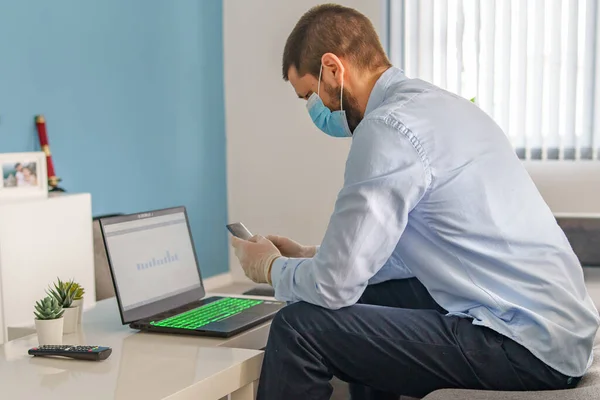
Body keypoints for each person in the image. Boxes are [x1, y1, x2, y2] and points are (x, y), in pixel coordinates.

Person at [230, 4, 600, 399]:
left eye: (310, 94)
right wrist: (309, 255)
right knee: (360, 301)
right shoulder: (441, 106)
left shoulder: (386, 128)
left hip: (524, 346)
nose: (316, 109)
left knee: (299, 328)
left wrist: (270, 268)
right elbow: (410, 256)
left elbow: (332, 286)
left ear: (333, 69)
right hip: (558, 332)